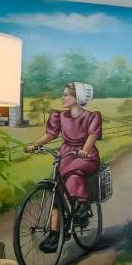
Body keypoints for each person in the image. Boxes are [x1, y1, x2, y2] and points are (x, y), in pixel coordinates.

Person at [24, 82, 102, 253]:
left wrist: (84, 150)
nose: (62, 98)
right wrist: (35, 145)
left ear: (77, 97)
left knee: (74, 175)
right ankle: (54, 233)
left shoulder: (92, 116)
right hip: (66, 154)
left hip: (85, 155)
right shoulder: (59, 116)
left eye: (66, 94)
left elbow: (92, 135)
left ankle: (82, 206)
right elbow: (50, 134)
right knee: (56, 191)